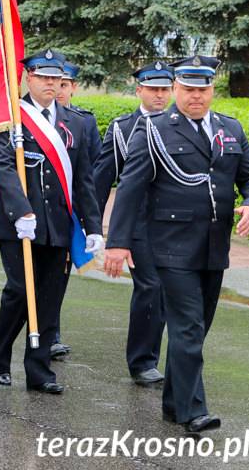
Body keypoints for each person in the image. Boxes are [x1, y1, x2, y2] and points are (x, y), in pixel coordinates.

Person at [104, 55, 249, 433]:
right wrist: (117, 242)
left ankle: (175, 402)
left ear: (212, 90)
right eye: (189, 89)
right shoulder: (155, 130)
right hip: (170, 247)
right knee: (188, 328)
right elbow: (129, 188)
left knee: (196, 328)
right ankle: (194, 410)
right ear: (175, 88)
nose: (196, 96)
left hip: (214, 247)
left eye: (203, 89)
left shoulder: (230, 129)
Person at [0, 49, 102, 394]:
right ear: (29, 78)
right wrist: (21, 210)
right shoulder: (10, 118)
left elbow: (84, 180)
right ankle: (0, 355)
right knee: (20, 292)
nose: (51, 83)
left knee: (50, 298)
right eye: (43, 77)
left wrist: (93, 225)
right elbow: (3, 167)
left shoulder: (75, 122)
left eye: (56, 78)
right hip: (20, 224)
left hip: (59, 225)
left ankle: (38, 371)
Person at [94, 61, 172, 386]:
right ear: (139, 89)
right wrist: (92, 229)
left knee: (168, 291)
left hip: (174, 225)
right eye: (152, 88)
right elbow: (102, 180)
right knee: (150, 286)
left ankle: (163, 356)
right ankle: (142, 362)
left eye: (164, 88)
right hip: (138, 225)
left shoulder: (180, 125)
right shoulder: (123, 128)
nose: (159, 94)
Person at [49, 59, 102, 359]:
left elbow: (89, 173)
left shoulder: (83, 122)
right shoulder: (30, 119)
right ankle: (38, 327)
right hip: (38, 211)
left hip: (69, 211)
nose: (59, 90)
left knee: (60, 271)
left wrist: (89, 218)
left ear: (73, 88)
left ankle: (52, 331)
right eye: (55, 83)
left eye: (65, 85)